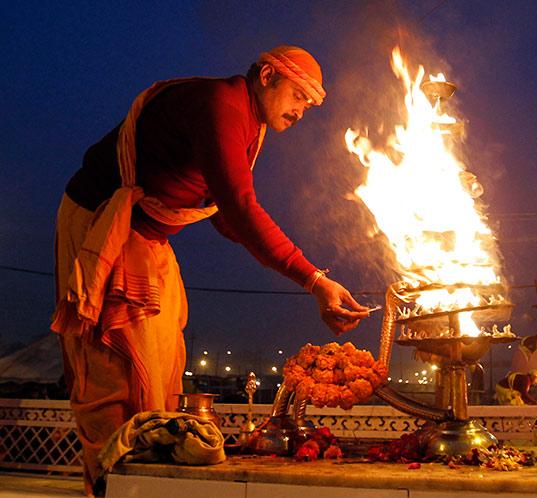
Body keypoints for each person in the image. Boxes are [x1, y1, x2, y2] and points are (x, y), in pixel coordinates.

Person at [51, 45, 372, 496]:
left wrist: (300, 272)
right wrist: (312, 279)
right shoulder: (223, 105)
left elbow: (224, 214)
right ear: (265, 77)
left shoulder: (249, 125)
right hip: (102, 227)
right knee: (113, 370)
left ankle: (146, 484)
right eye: (298, 95)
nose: (301, 111)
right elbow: (240, 210)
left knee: (162, 369)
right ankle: (111, 488)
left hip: (148, 240)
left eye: (309, 104)